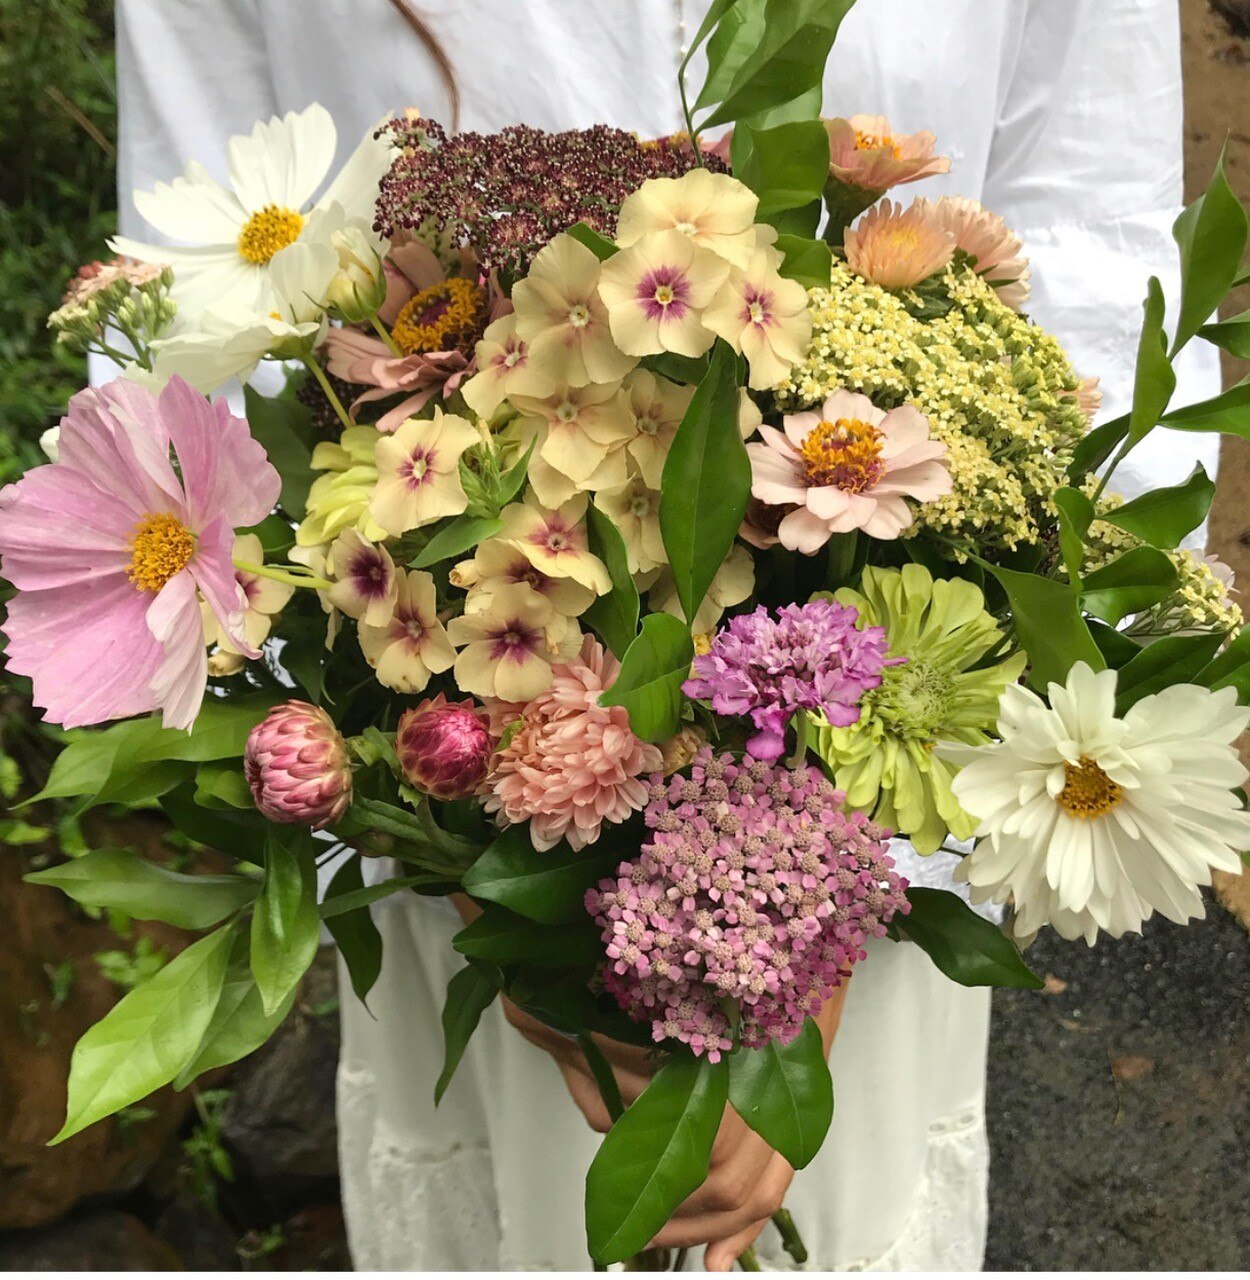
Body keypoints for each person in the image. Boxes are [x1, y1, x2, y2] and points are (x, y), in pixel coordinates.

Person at [109, 0, 1219, 1268]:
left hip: (892, 783)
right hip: (450, 747)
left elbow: (1089, 241)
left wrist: (820, 911)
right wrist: (493, 885)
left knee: (841, 1210)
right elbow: (185, 312)